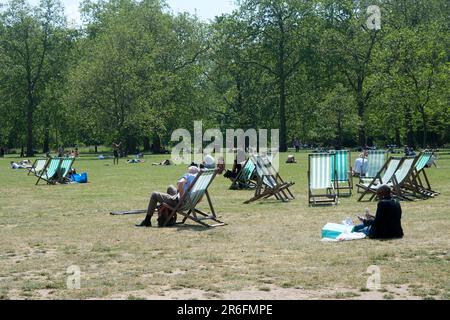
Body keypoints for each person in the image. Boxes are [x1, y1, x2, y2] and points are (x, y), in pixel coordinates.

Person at [136, 166, 200, 227]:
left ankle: (147, 220)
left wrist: (181, 198)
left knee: (154, 194)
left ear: (190, 172)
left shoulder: (188, 175)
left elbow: (180, 183)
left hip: (179, 202)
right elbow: (199, 200)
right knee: (170, 187)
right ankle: (167, 209)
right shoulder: (199, 179)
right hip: (190, 203)